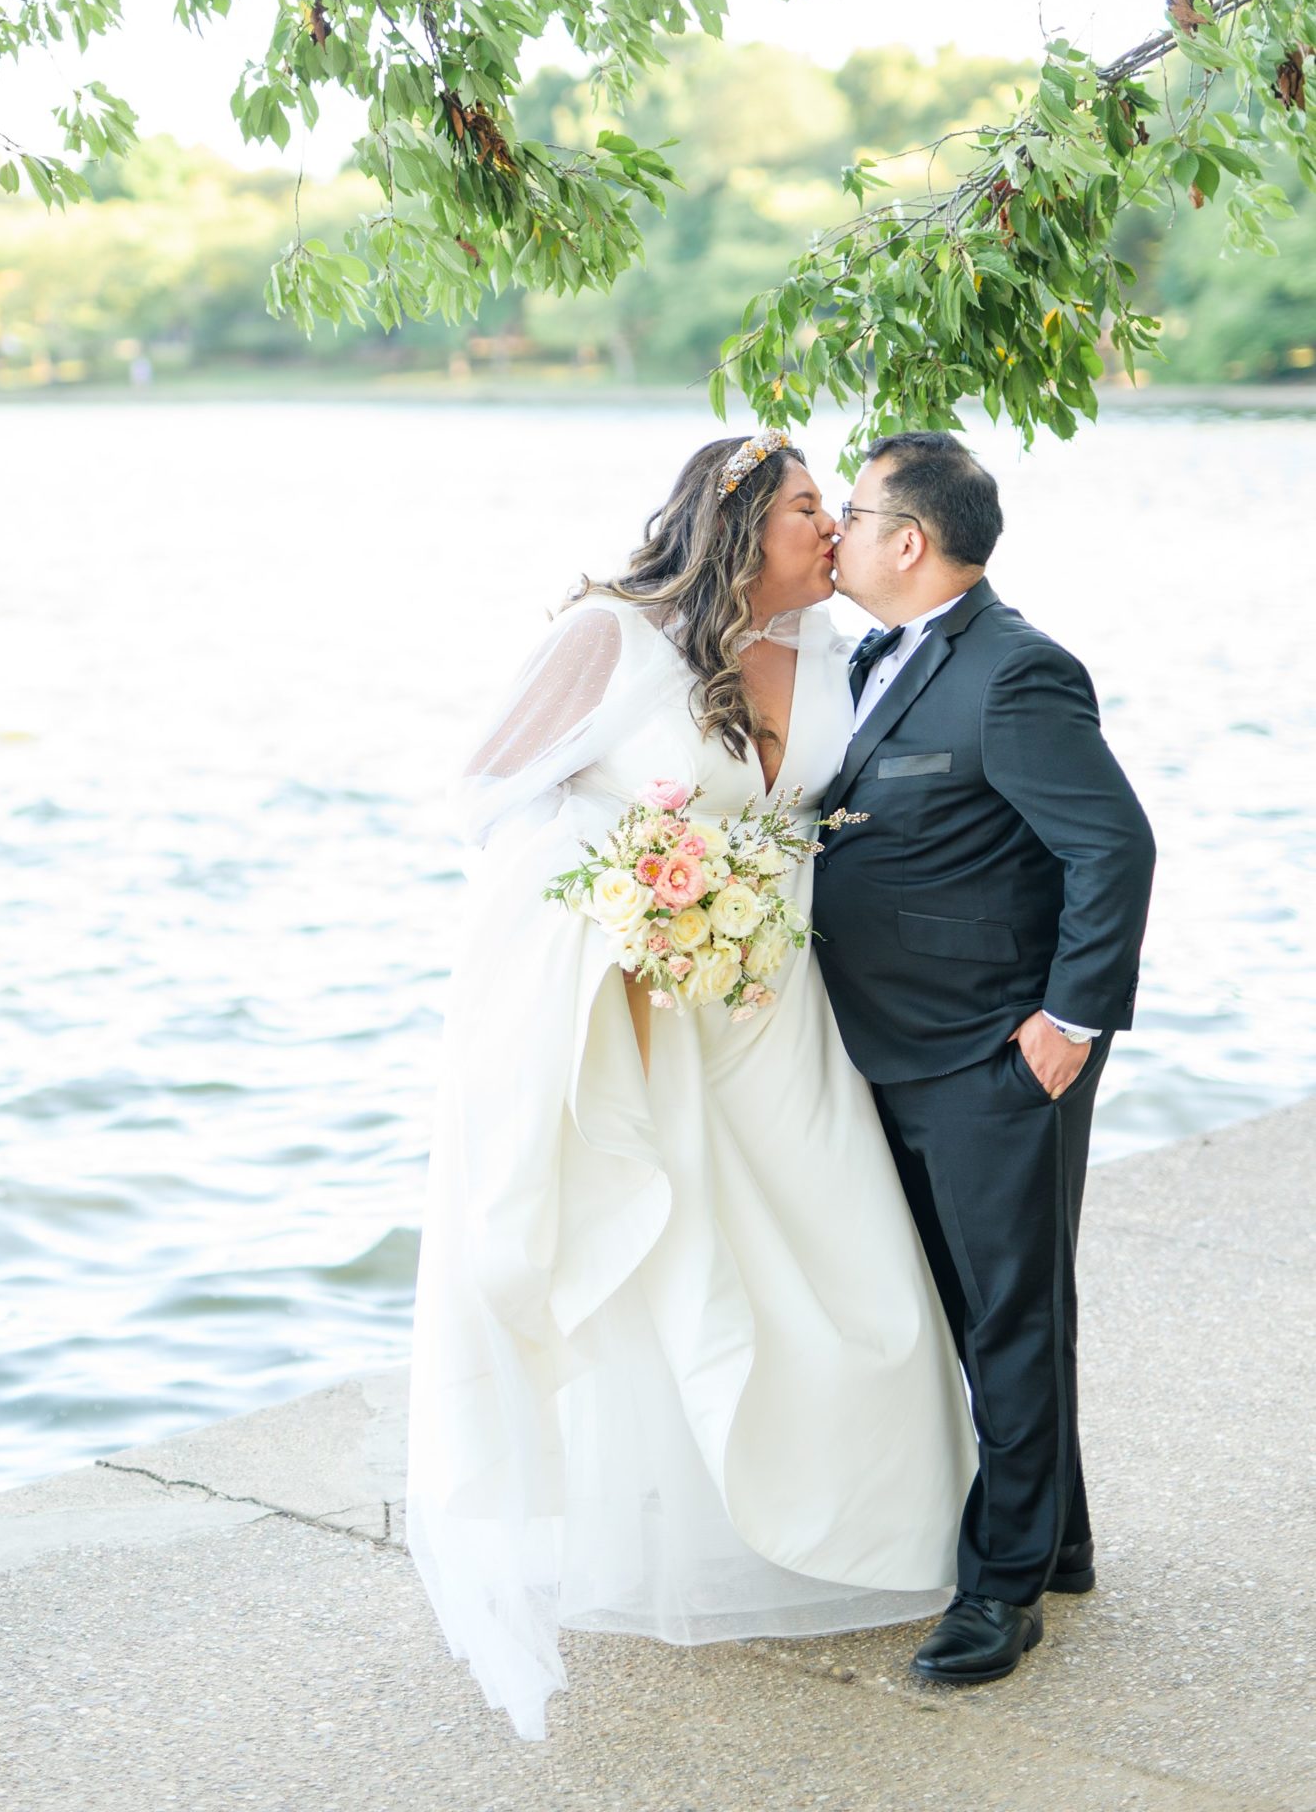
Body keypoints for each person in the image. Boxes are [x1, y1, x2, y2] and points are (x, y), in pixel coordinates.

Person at [405, 431, 977, 1741]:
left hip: (776, 999)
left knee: (846, 1253)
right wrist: (620, 902)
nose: (828, 528)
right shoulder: (615, 641)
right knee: (671, 1255)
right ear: (730, 526)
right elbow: (484, 795)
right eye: (801, 508)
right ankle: (695, 1544)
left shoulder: (831, 651)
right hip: (647, 1002)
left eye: (832, 508)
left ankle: (871, 1532)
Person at [817, 429, 1154, 1687]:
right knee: (973, 1314)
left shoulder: (1014, 673)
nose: (834, 534)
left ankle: (999, 1588)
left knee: (1007, 1317)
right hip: (888, 1047)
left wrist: (1065, 1026)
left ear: (908, 540)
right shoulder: (869, 656)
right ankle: (1054, 1536)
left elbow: (1110, 849)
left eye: (848, 515)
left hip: (989, 1054)